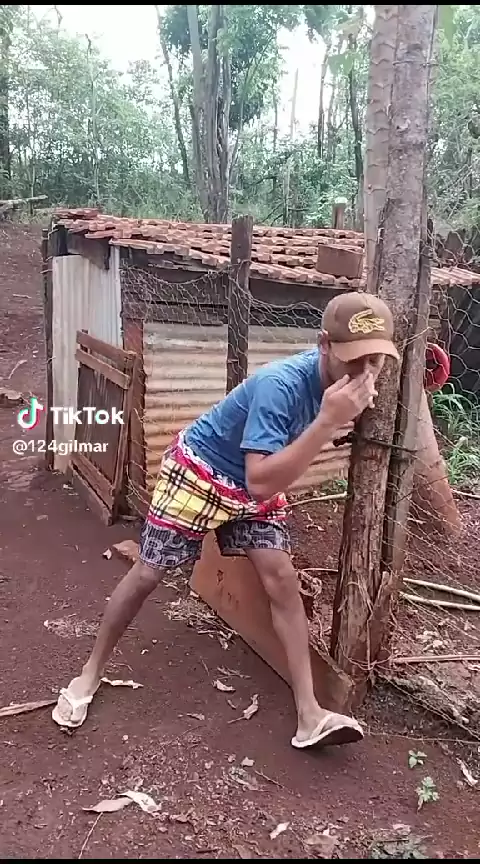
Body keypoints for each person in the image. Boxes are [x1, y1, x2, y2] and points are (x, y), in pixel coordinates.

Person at [52, 291, 400, 749]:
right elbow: (260, 482)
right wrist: (327, 422)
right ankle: (88, 673)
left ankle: (310, 715)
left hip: (253, 483)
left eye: (375, 360)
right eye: (353, 359)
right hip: (202, 470)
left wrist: (340, 415)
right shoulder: (280, 386)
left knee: (282, 579)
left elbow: (260, 485)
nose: (365, 372)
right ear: (323, 344)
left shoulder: (350, 387)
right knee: (148, 574)